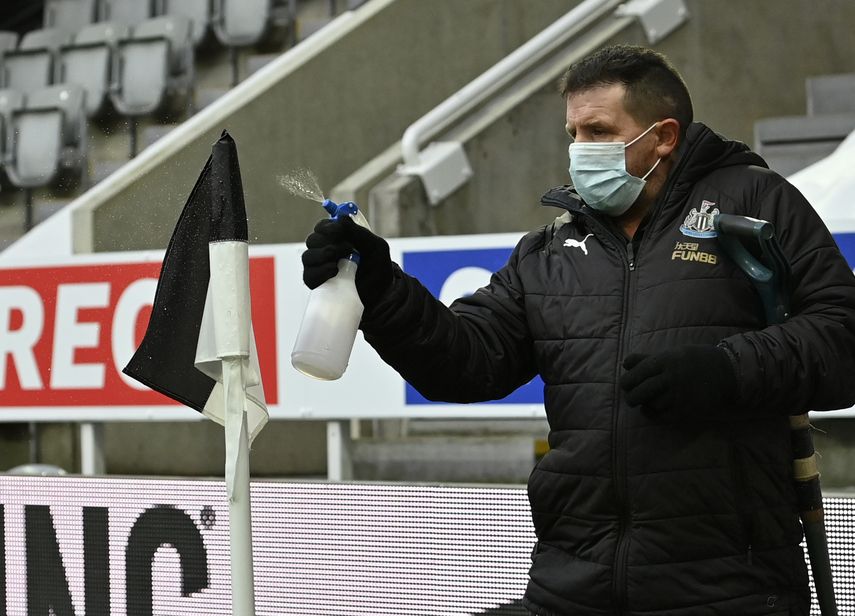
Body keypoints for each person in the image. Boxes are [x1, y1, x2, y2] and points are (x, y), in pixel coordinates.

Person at [301, 44, 855, 615]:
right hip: (570, 586)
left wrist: (726, 370)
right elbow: (465, 362)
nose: (580, 151)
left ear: (663, 137)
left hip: (726, 589)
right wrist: (380, 289)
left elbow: (843, 335)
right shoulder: (551, 248)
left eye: (599, 131)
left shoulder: (756, 202)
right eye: (574, 134)